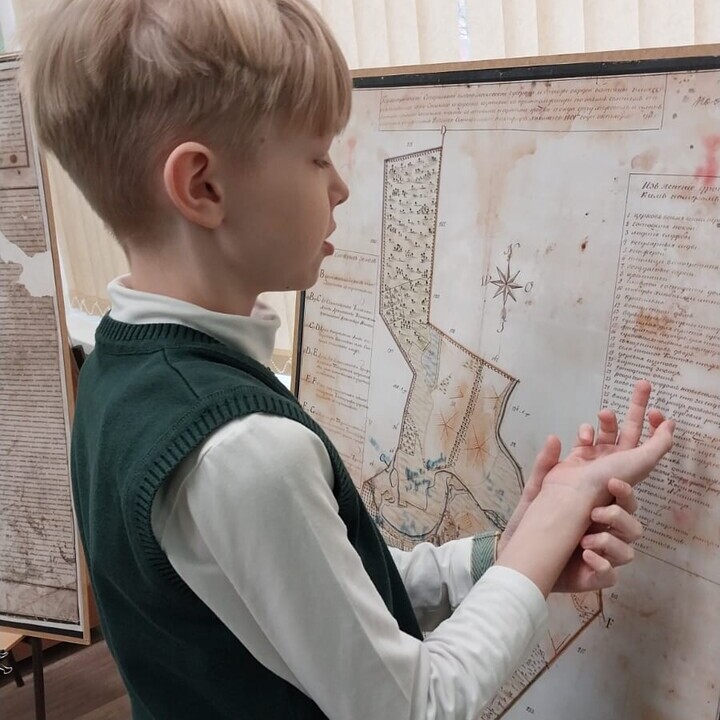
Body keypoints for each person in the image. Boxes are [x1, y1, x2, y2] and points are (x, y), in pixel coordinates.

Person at [21, 1, 675, 718]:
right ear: (203, 187)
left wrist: (506, 554)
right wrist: (544, 534)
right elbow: (416, 706)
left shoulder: (119, 371)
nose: (340, 186)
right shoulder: (242, 450)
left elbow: (332, 591)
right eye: (317, 156)